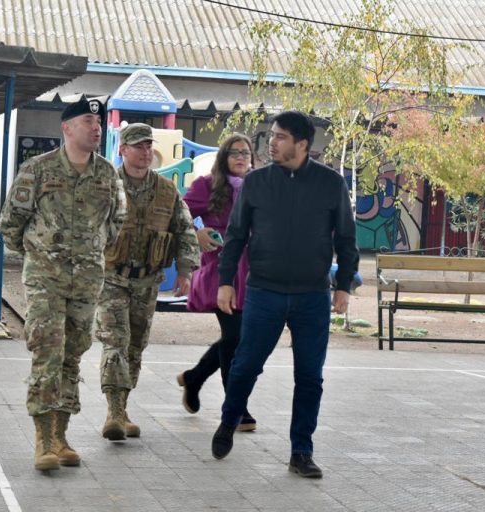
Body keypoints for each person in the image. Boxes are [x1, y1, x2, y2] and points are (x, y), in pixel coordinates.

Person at [210, 111, 359, 478]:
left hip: (312, 296)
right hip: (265, 292)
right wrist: (226, 281)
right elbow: (235, 236)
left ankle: (301, 452)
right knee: (246, 365)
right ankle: (229, 420)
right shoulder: (256, 184)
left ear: (302, 144)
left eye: (279, 137)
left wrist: (343, 286)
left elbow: (345, 238)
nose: (271, 143)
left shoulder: (330, 184)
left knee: (310, 377)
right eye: (271, 136)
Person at [0, 97, 126, 471]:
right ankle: (42, 441)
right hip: (46, 282)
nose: (96, 126)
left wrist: (92, 251)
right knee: (47, 354)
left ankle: (61, 436)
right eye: (88, 120)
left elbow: (116, 222)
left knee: (72, 357)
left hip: (87, 284)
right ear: (67, 128)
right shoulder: (36, 170)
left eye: (99, 120)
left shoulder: (106, 174)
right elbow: (11, 224)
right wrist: (41, 258)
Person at [97, 123, 200, 441]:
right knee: (115, 342)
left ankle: (123, 407)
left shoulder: (167, 191)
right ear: (122, 150)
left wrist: (185, 269)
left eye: (147, 146)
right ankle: (113, 412)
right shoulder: (104, 187)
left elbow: (184, 230)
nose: (144, 152)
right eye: (137, 146)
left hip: (147, 281)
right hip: (111, 279)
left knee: (136, 346)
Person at [175, 134, 256, 431]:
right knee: (234, 337)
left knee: (240, 337)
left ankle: (194, 378)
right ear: (223, 157)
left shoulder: (259, 187)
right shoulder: (206, 185)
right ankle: (236, 407)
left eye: (246, 153)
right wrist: (196, 233)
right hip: (221, 271)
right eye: (234, 152)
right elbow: (179, 214)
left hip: (254, 274)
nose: (240, 157)